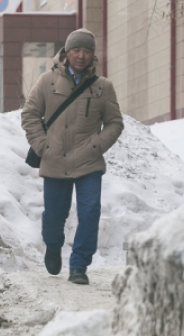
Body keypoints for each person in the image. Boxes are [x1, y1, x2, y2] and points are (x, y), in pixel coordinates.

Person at [21, 28, 123, 285]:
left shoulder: (103, 87)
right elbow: (30, 114)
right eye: (76, 50)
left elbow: (114, 123)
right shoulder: (47, 81)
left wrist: (97, 146)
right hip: (55, 158)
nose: (81, 55)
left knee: (90, 212)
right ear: (66, 53)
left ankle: (79, 265)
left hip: (89, 161)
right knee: (54, 216)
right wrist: (42, 145)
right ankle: (53, 245)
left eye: (87, 51)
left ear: (92, 55)